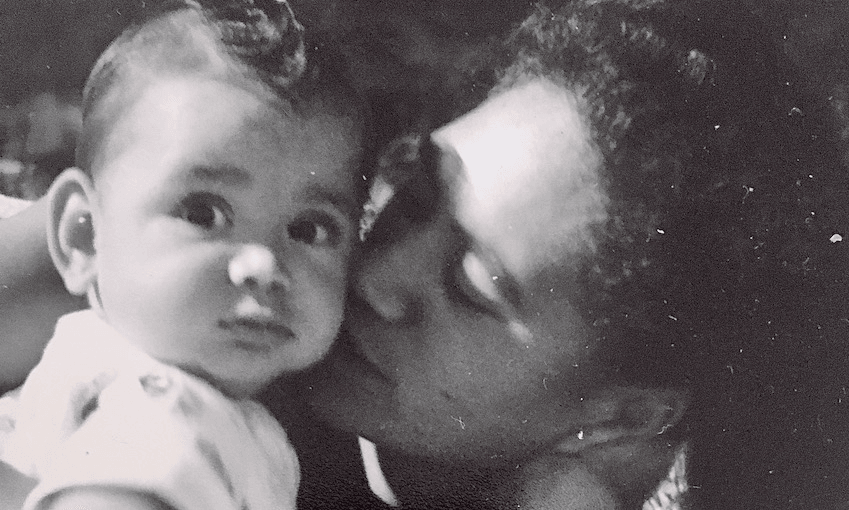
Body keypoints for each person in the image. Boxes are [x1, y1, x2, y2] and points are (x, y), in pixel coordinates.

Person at [0, 0, 837, 508]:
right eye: (414, 193)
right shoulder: (201, 279)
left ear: (620, 418)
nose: (375, 276)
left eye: (473, 288)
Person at [0, 0, 368, 509]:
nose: (264, 266)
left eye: (310, 229)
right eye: (203, 214)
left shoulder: (175, 409)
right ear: (83, 235)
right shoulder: (163, 402)